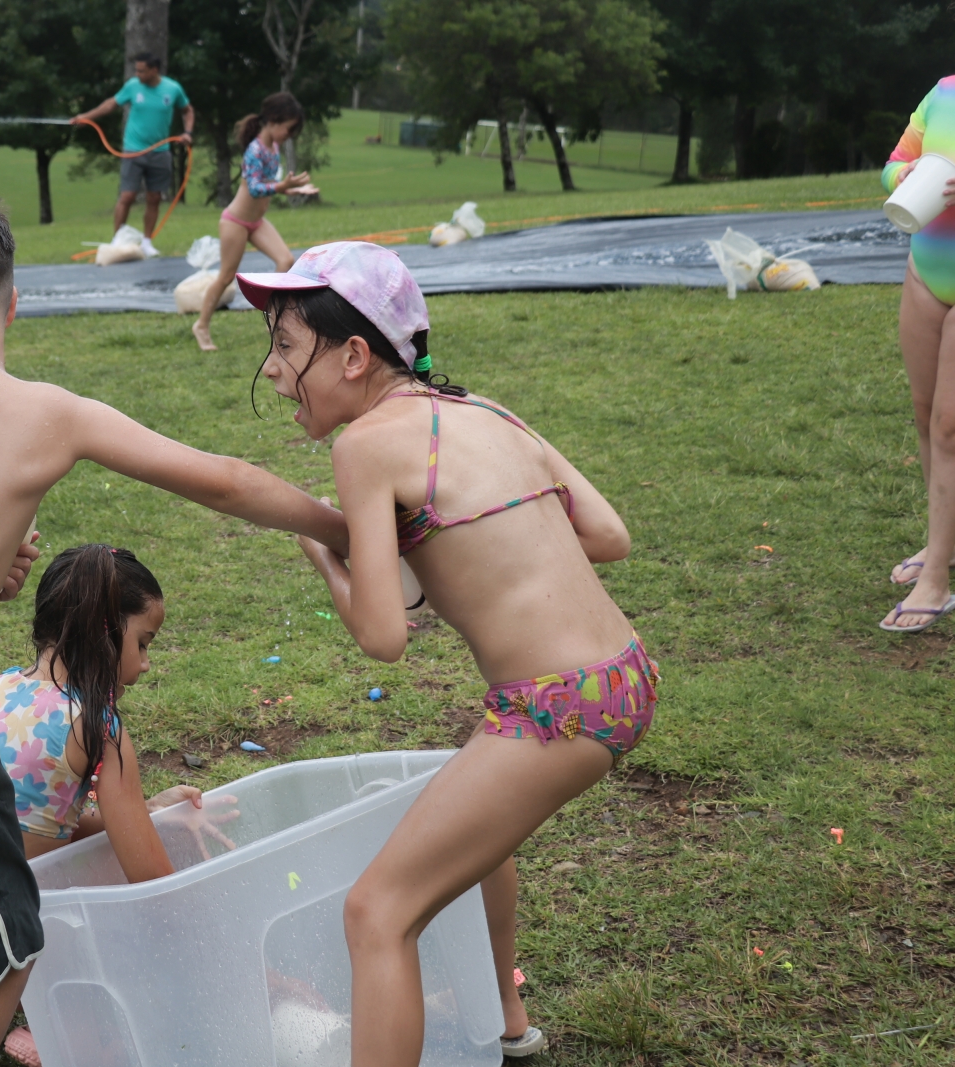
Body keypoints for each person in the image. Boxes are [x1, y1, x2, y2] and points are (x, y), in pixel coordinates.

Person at [0, 198, 347, 1067]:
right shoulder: (45, 412)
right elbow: (226, 480)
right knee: (3, 958)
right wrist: (348, 531)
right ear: (12, 304)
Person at [236, 242, 654, 1063]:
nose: (274, 370)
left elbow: (384, 635)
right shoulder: (486, 411)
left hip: (552, 706)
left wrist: (322, 551)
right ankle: (506, 1016)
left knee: (377, 912)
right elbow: (609, 535)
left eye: (285, 345)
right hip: (625, 674)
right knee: (476, 835)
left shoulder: (363, 447)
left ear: (354, 355)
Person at [0, 544, 239, 1067]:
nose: (145, 664)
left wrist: (151, 808)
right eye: (142, 642)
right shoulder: (97, 725)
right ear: (105, 631)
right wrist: (220, 929)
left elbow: (31, 822)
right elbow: (150, 876)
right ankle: (58, 1032)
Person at [880, 75, 955, 632]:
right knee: (924, 409)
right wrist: (904, 176)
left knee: (952, 427)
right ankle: (947, 544)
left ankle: (936, 579)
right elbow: (894, 164)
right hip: (926, 271)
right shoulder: (946, 93)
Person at [192, 92, 314, 353]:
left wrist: (290, 189)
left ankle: (274, 319)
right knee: (226, 276)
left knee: (285, 260)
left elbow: (269, 183)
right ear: (273, 121)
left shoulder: (273, 148)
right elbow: (255, 188)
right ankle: (201, 325)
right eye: (288, 128)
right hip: (235, 222)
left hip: (256, 222)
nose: (289, 135)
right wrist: (282, 187)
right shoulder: (255, 150)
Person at [72, 53, 195, 258]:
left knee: (154, 198)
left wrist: (187, 133)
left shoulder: (172, 89)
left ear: (154, 70)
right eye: (136, 70)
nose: (137, 74)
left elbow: (187, 110)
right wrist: (85, 117)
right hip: (133, 150)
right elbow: (110, 104)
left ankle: (147, 242)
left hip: (160, 152)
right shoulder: (132, 86)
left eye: (141, 71)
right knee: (127, 196)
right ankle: (117, 240)